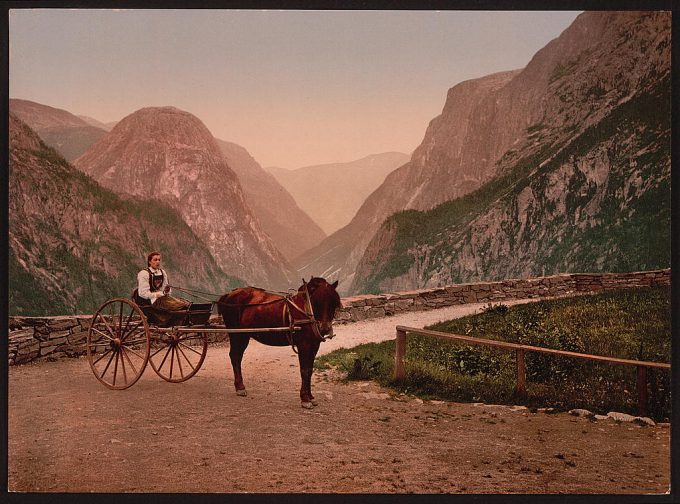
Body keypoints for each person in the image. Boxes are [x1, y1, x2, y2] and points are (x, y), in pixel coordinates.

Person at [136, 251, 190, 325]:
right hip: (149, 301)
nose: (158, 262)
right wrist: (156, 295)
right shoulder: (144, 274)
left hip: (162, 299)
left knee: (185, 303)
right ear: (149, 261)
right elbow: (142, 293)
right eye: (155, 260)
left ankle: (181, 321)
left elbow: (165, 289)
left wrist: (166, 291)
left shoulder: (162, 272)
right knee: (180, 305)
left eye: (159, 260)